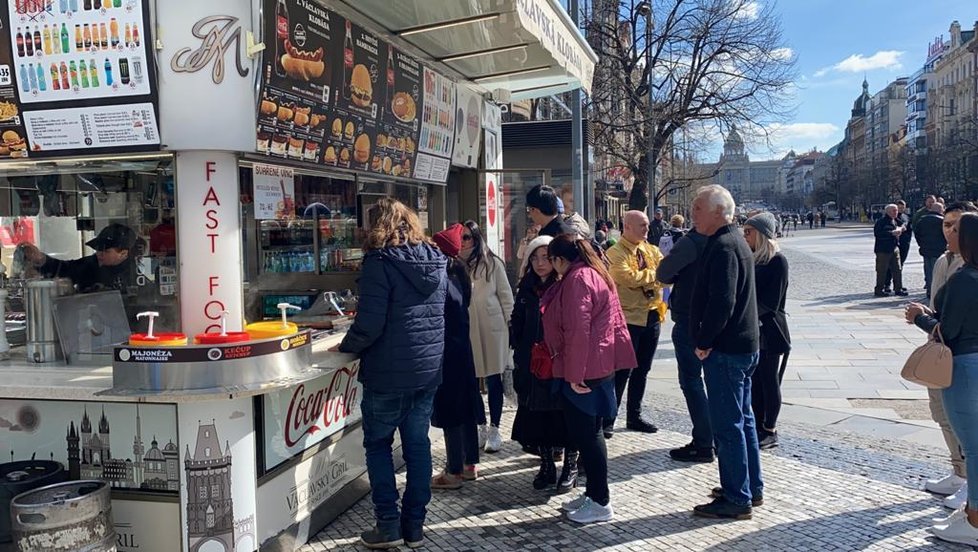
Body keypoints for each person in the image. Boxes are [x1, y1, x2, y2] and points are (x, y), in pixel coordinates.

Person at [336, 198, 447, 549]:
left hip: (387, 373)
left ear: (376, 227)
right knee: (417, 446)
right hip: (427, 370)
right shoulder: (436, 260)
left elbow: (369, 324)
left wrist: (345, 346)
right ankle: (414, 525)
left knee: (379, 446)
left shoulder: (378, 263)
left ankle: (388, 525)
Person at [542, 235, 636, 524]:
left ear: (560, 259)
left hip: (586, 370)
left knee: (589, 435)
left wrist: (574, 375)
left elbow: (577, 330)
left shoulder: (578, 278)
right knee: (590, 434)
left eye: (551, 259)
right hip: (596, 365)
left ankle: (600, 500)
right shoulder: (592, 272)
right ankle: (594, 494)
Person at [689, 185, 763, 521]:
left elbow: (723, 302)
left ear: (719, 211)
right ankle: (749, 487)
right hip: (743, 346)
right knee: (743, 421)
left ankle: (737, 497)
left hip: (728, 350)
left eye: (698, 208)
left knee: (728, 425)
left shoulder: (723, 246)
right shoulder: (735, 241)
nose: (693, 214)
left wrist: (704, 340)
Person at [906, 212, 978, 546]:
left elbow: (947, 331)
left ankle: (974, 520)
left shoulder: (966, 278)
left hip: (963, 366)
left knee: (973, 446)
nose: (947, 233)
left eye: (955, 229)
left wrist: (921, 318)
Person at [510, 235, 577, 493]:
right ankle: (547, 464)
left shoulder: (564, 285)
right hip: (533, 363)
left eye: (546, 258)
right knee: (539, 416)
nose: (540, 264)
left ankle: (570, 465)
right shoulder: (526, 288)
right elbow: (518, 321)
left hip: (558, 361)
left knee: (565, 415)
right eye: (535, 258)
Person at [429, 224, 486, 490]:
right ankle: (469, 464)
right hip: (463, 349)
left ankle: (454, 471)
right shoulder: (460, 273)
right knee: (465, 406)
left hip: (448, 351)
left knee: (452, 409)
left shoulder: (444, 277)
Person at [657, 224, 713, 463]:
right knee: (718, 384)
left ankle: (703, 441)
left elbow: (663, 273)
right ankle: (717, 438)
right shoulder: (728, 240)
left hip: (690, 320)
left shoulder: (691, 242)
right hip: (717, 321)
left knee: (691, 381)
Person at [605, 210, 663, 437]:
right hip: (627, 319)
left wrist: (651, 275)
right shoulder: (614, 253)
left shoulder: (651, 250)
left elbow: (667, 274)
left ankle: (634, 414)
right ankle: (609, 418)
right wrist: (654, 274)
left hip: (652, 315)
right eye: (642, 226)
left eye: (647, 225)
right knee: (622, 371)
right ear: (627, 227)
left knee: (643, 370)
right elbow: (625, 278)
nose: (646, 230)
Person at [460, 221, 515, 454]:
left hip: (494, 329)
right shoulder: (455, 264)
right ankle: (480, 424)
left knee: (494, 379)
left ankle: (494, 428)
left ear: (476, 238)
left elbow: (506, 296)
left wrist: (513, 327)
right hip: (469, 329)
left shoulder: (492, 263)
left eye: (467, 237)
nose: (463, 242)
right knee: (471, 381)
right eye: (461, 237)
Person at [743, 213, 791, 450]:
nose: (745, 236)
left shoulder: (777, 261)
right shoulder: (751, 259)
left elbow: (771, 302)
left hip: (770, 329)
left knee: (769, 380)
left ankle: (769, 428)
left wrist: (745, 312)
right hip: (752, 328)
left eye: (749, 232)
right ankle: (757, 423)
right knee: (755, 380)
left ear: (761, 235)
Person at [21, 223, 137, 293]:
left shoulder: (134, 276)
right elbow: (67, 270)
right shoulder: (91, 264)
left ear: (123, 254)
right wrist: (41, 259)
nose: (99, 254)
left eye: (106, 251)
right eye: (98, 249)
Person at [873, 204, 907, 297]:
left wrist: (901, 228)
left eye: (896, 210)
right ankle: (879, 290)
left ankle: (898, 289)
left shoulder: (895, 220)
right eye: (893, 210)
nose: (896, 212)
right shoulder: (881, 221)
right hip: (883, 250)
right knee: (882, 271)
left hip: (894, 248)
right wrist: (891, 233)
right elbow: (878, 233)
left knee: (897, 269)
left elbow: (904, 224)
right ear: (887, 212)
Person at [915, 202, 947, 299]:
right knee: (938, 272)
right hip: (939, 250)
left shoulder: (922, 220)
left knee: (928, 271)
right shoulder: (942, 221)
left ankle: (930, 291)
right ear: (940, 210)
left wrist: (921, 244)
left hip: (926, 250)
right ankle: (937, 292)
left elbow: (917, 234)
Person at [887, 199, 912, 293]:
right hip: (894, 244)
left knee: (900, 265)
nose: (901, 209)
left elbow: (909, 230)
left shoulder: (906, 217)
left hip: (905, 243)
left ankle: (898, 284)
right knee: (890, 265)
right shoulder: (892, 218)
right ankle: (887, 284)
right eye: (899, 207)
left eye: (903, 207)